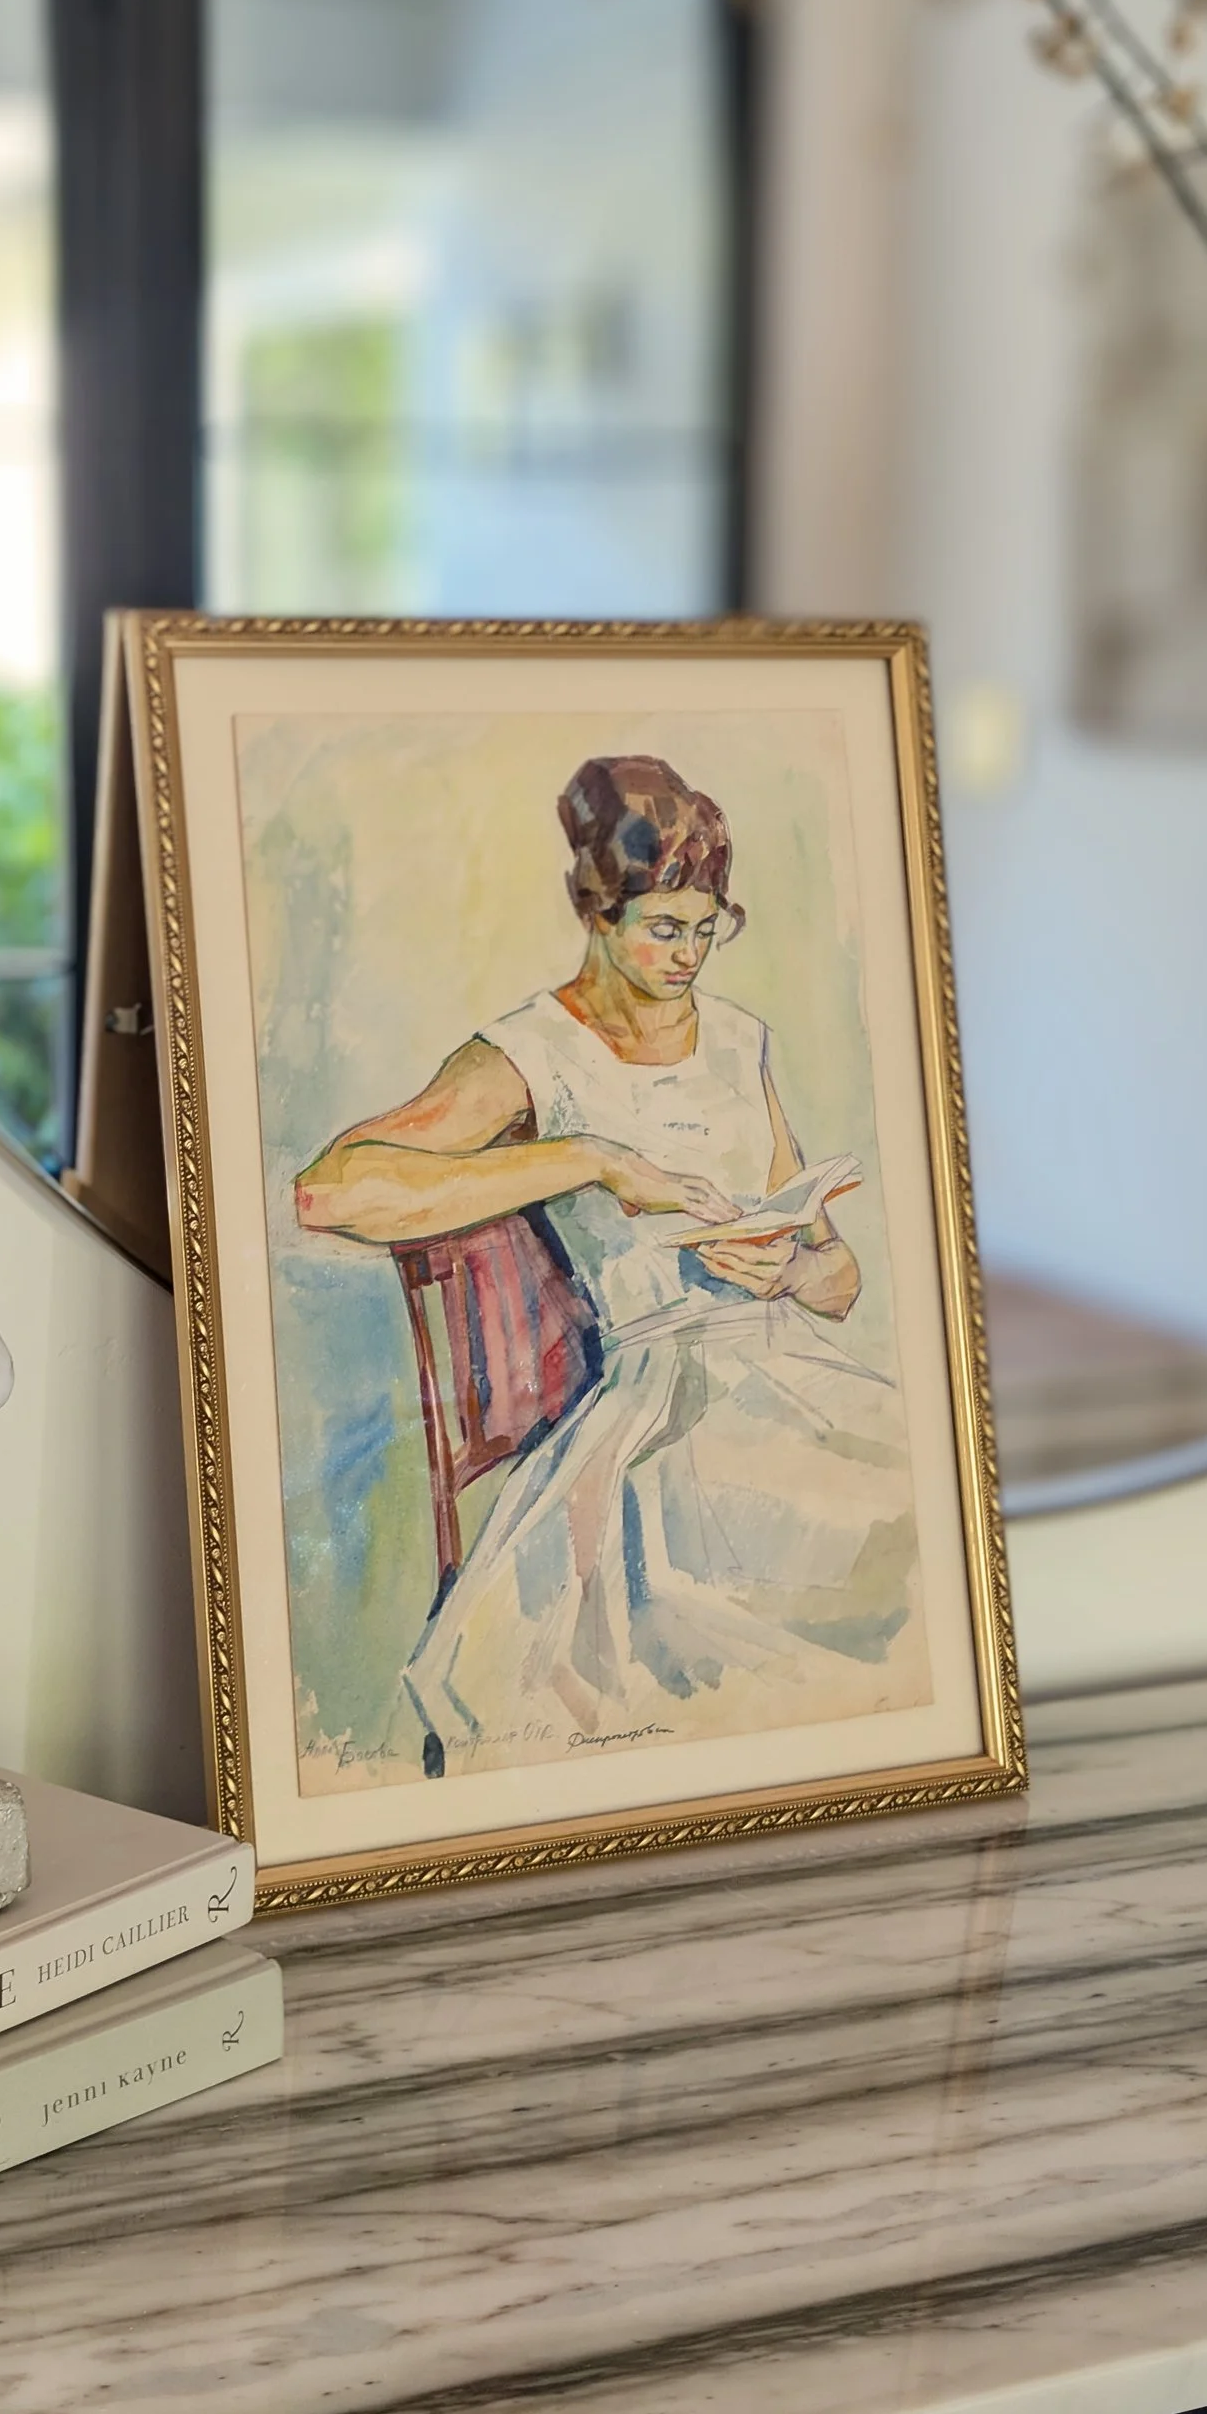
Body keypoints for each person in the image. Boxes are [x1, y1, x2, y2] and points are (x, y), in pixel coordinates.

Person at [295, 752, 927, 1772]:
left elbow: (837, 1273)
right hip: (661, 1398)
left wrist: (793, 1270)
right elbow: (332, 1188)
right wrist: (592, 1159)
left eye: (705, 926)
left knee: (912, 1499)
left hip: (785, 1370)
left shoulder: (737, 1042)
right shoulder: (530, 1052)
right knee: (827, 1536)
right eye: (661, 927)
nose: (687, 954)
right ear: (596, 912)